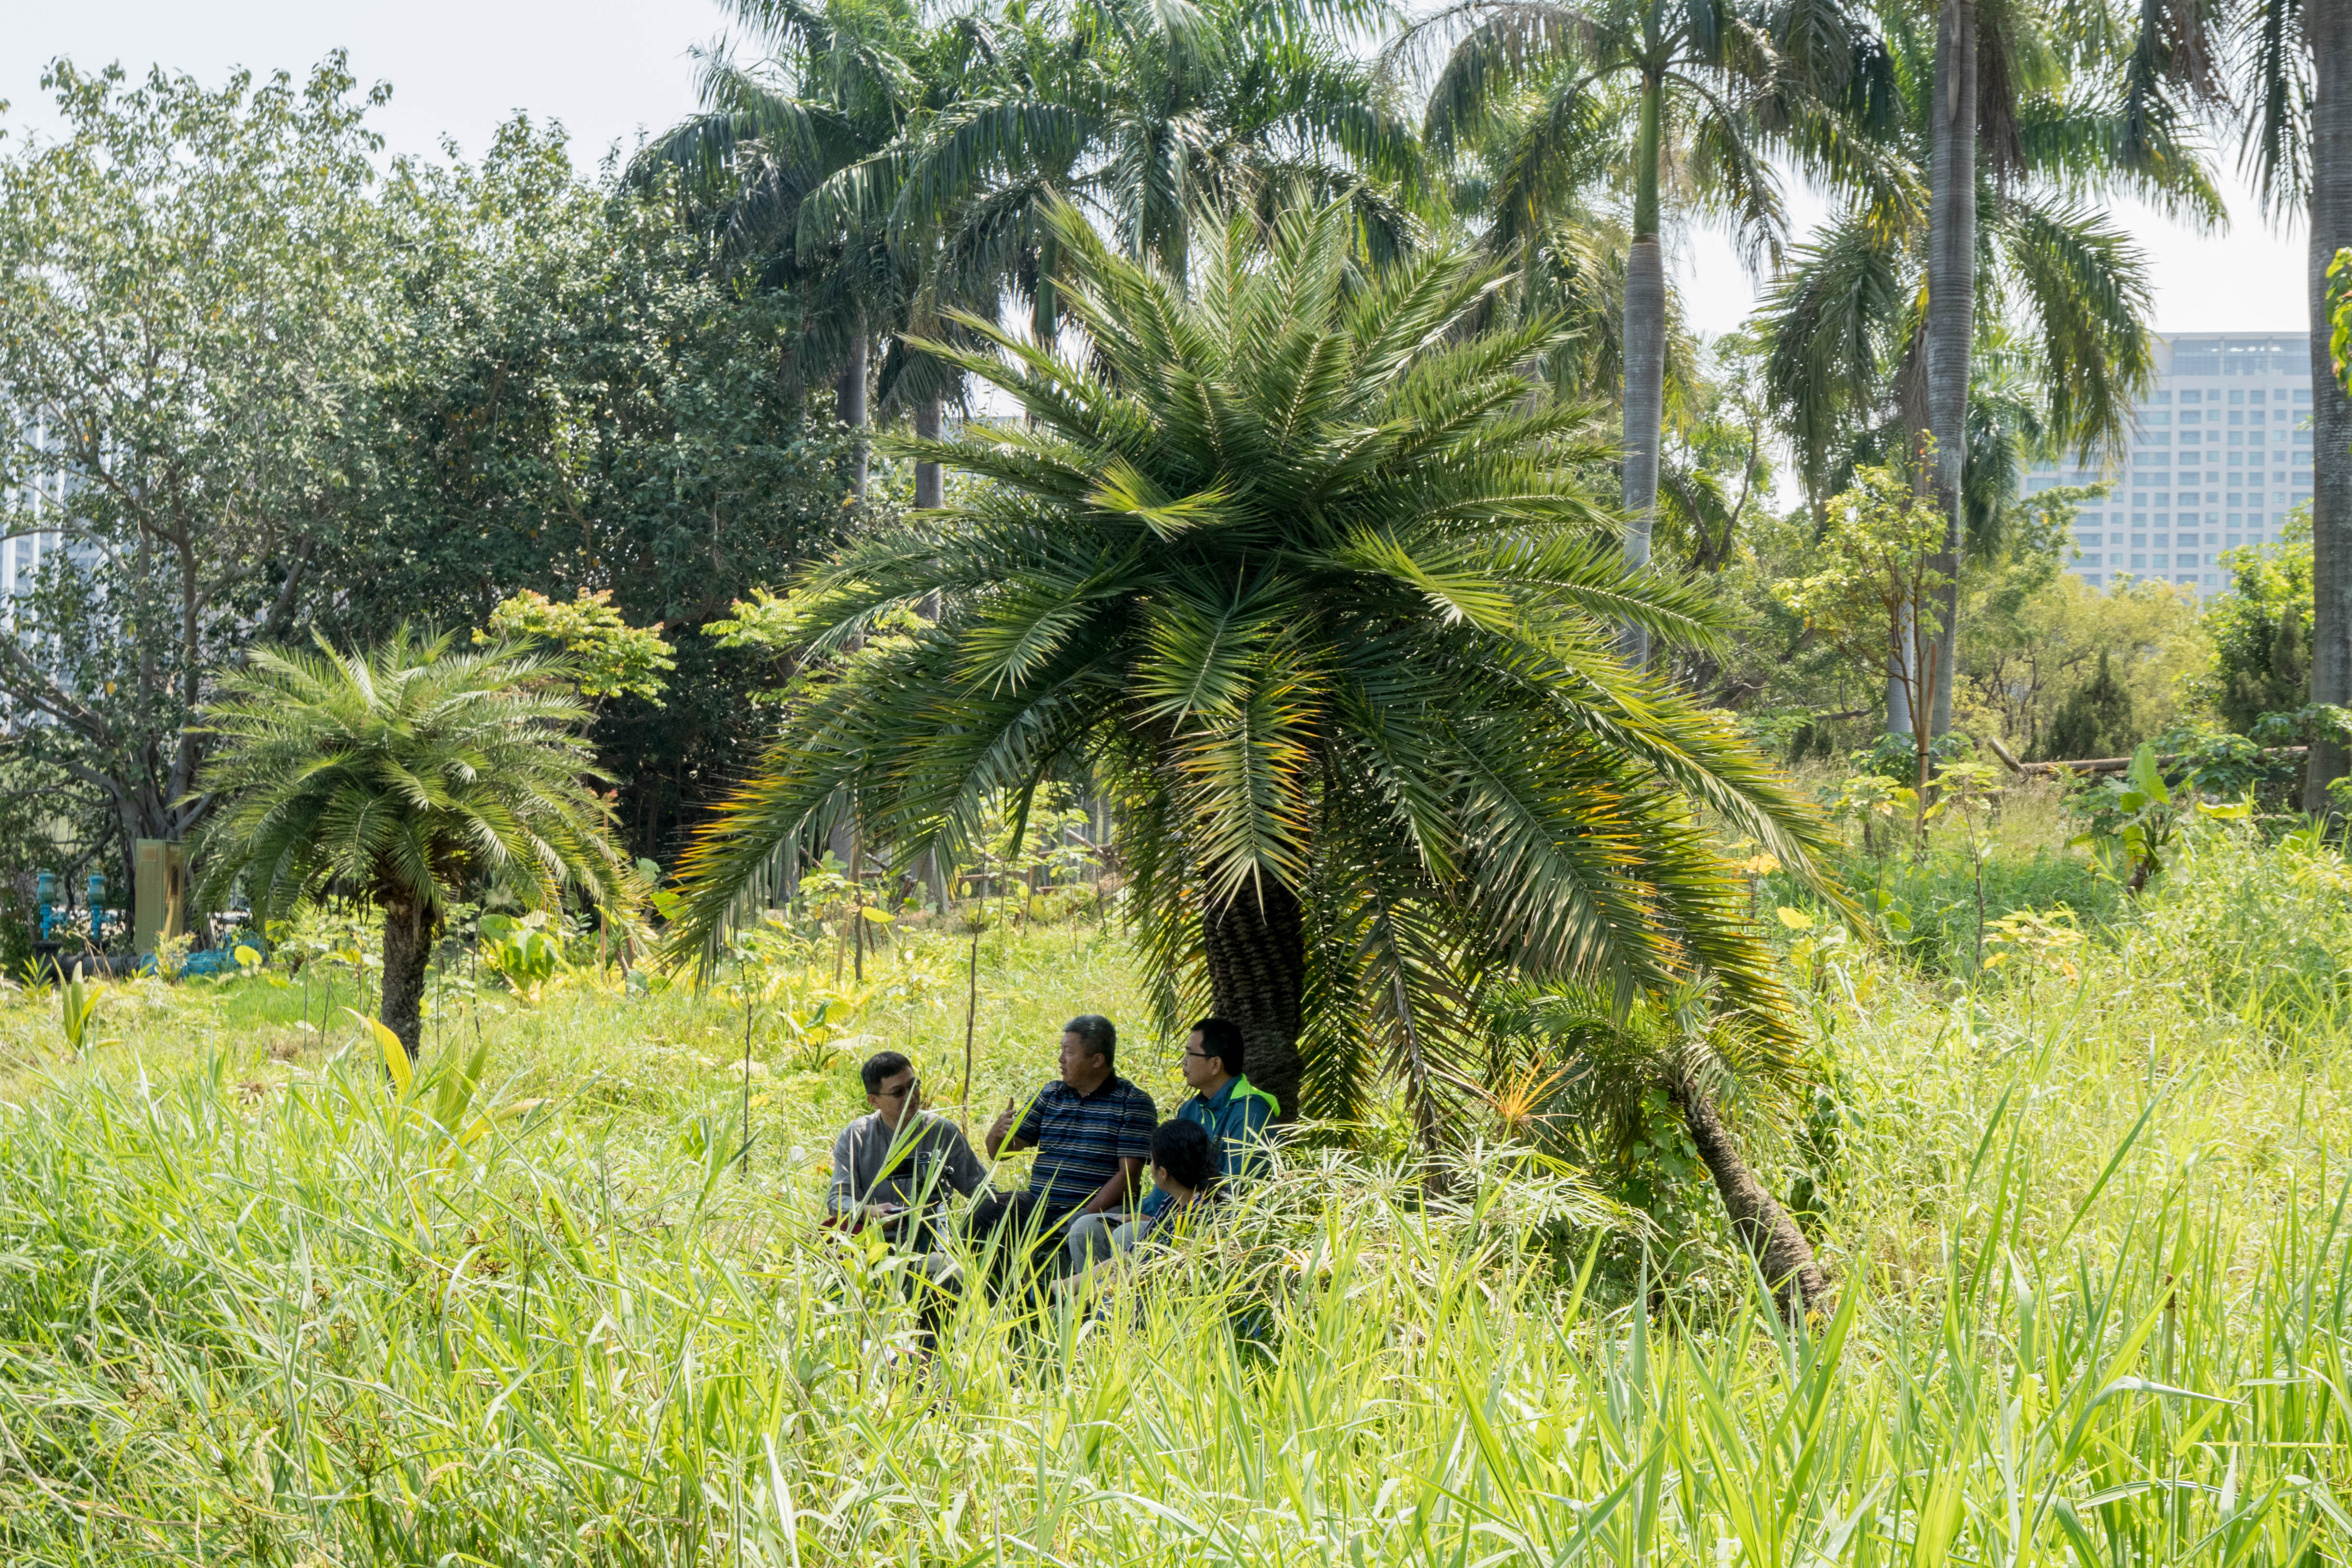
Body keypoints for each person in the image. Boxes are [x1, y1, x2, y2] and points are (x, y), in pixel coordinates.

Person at [975, 1014, 1156, 1276]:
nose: (1061, 1059)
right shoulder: (1051, 1094)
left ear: (1097, 1060)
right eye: (1061, 1050)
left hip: (1097, 1208)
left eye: (1069, 1052)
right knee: (989, 1209)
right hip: (1040, 1203)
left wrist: (1082, 1214)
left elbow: (1128, 1175)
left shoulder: (1133, 1102)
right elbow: (1000, 1154)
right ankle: (984, 1287)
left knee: (1085, 1227)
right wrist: (996, 1134)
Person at [827, 1051, 989, 1235]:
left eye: (914, 1085)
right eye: (898, 1092)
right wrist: (865, 1212)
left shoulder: (942, 1132)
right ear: (874, 1101)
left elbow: (982, 1189)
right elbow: (837, 1199)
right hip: (872, 1241)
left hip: (933, 1237)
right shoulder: (855, 1137)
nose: (911, 1095)